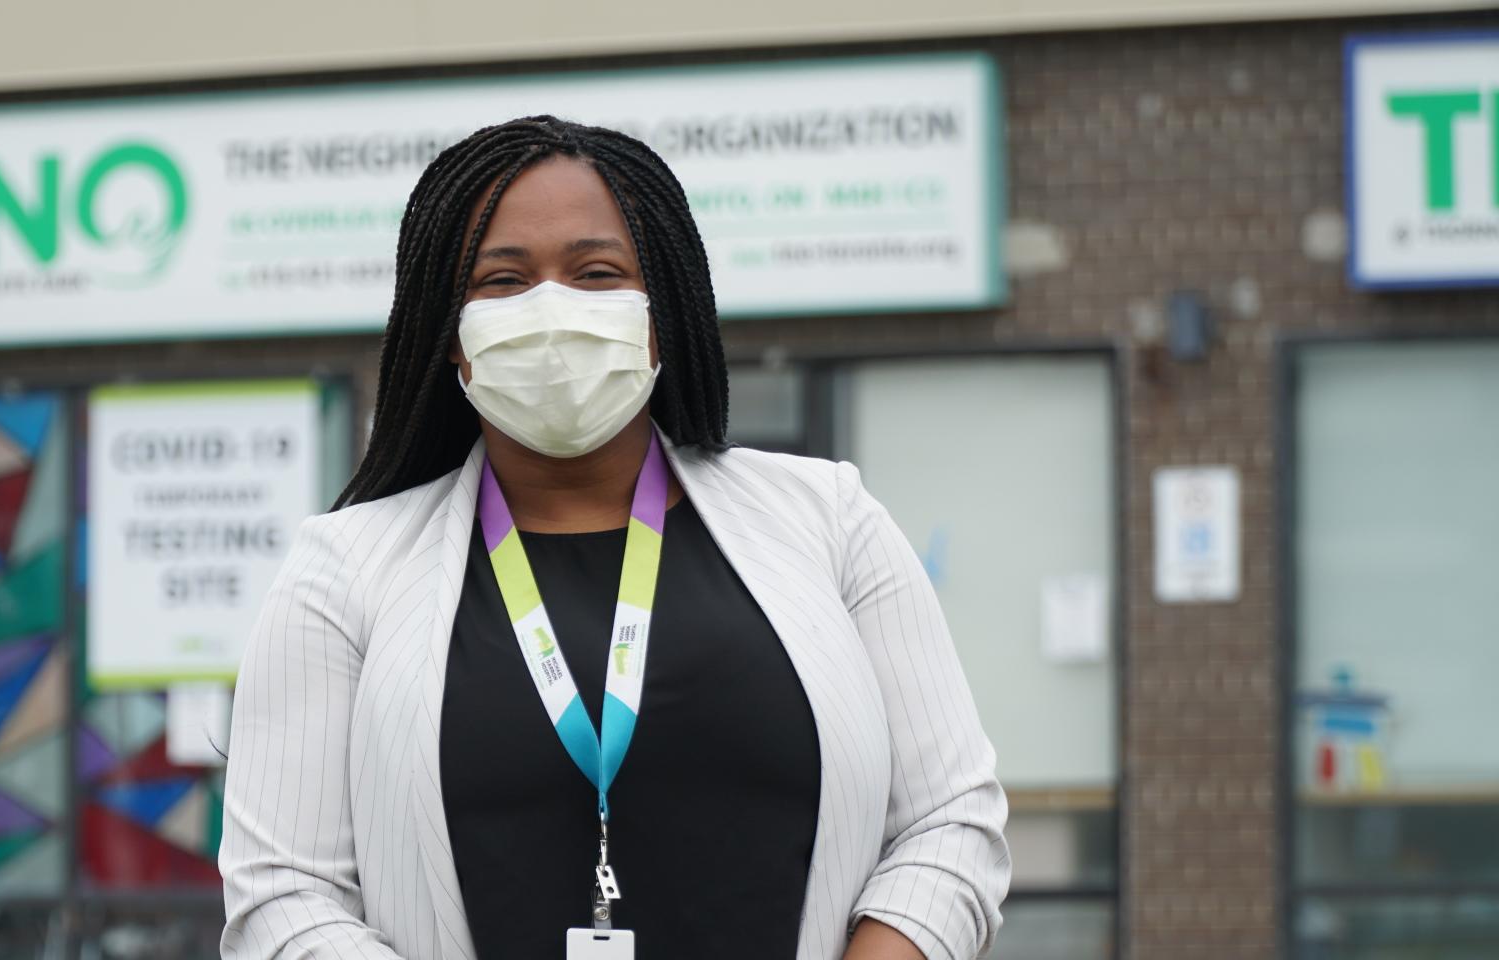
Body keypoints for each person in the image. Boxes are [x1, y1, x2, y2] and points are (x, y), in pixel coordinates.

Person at [218, 116, 1009, 960]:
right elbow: (283, 896)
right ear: (449, 334)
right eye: (503, 279)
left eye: (597, 273)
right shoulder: (342, 575)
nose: (552, 309)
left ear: (660, 311)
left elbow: (950, 822)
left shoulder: (830, 521)